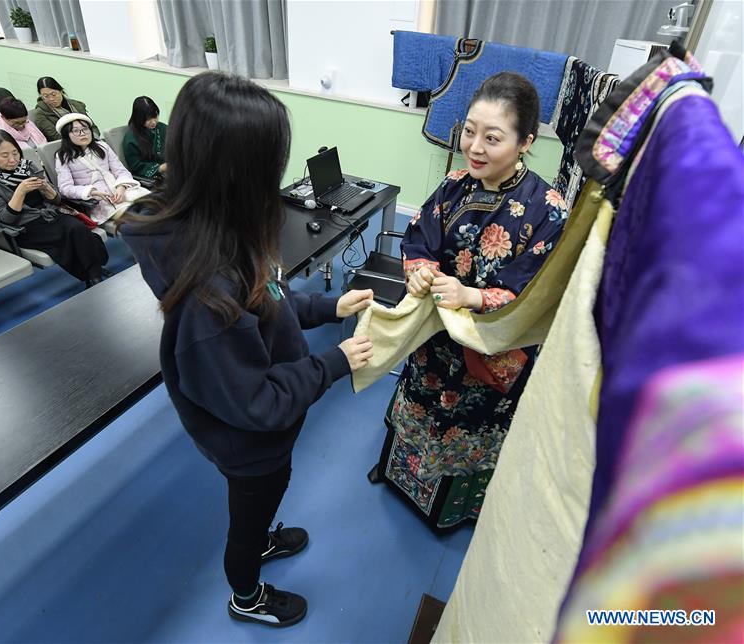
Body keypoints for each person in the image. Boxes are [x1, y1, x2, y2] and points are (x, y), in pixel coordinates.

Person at [120, 72, 375, 628]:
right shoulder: (209, 296)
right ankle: (247, 593)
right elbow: (259, 404)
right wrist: (334, 361)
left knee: (265, 498)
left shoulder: (221, 234)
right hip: (250, 444)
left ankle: (259, 538)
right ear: (241, 173)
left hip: (259, 428)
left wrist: (327, 308)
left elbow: (273, 302)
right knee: (251, 509)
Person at [367, 72, 569, 531]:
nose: (475, 147)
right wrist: (420, 273)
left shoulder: (549, 210)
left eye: (492, 137)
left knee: (469, 425)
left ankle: (453, 510)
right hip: (435, 339)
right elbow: (419, 239)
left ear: (525, 142)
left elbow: (536, 294)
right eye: (470, 132)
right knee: (417, 405)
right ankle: (399, 476)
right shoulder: (455, 183)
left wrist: (472, 295)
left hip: (490, 350)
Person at [0, 130, 109, 288]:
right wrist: (20, 191)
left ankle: (93, 275)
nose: (12, 159)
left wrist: (46, 189)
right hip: (24, 226)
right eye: (4, 155)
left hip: (49, 215)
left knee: (77, 228)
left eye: (15, 153)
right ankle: (94, 274)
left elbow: (57, 200)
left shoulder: (27, 166)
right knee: (72, 233)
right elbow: (6, 218)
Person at [55, 113, 145, 225]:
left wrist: (121, 187)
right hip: (98, 202)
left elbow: (121, 171)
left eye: (85, 129)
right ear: (66, 135)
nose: (83, 134)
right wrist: (92, 192)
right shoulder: (63, 157)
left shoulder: (103, 146)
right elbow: (65, 188)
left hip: (120, 191)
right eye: (76, 131)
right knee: (139, 217)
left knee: (156, 206)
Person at [31, 77, 99, 141]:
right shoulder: (40, 113)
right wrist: (80, 140)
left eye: (54, 94)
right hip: (67, 147)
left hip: (90, 140)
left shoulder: (76, 105)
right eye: (46, 96)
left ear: (61, 91)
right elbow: (55, 137)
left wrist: (93, 139)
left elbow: (92, 127)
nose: (51, 99)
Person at [122, 95, 166, 182]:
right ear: (139, 119)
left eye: (155, 116)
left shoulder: (163, 128)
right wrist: (160, 168)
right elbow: (136, 167)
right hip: (154, 178)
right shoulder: (131, 139)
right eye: (148, 119)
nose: (154, 122)